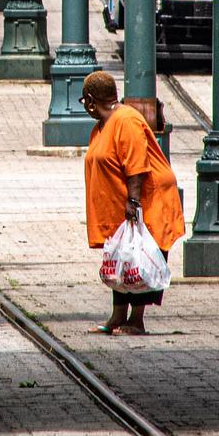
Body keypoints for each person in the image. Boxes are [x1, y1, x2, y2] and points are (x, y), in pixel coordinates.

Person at [79, 71, 185, 335]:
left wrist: (133, 201)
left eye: (84, 102)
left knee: (140, 260)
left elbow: (136, 166)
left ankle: (136, 320)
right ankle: (117, 316)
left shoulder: (126, 120)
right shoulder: (102, 125)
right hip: (122, 204)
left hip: (148, 199)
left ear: (91, 101)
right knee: (121, 259)